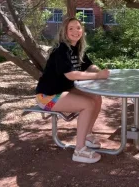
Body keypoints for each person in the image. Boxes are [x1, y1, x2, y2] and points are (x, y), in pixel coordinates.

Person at [36, 17, 110, 164]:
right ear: (64, 31)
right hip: (46, 97)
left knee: (95, 97)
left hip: (62, 92)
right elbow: (71, 74)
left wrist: (99, 72)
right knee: (88, 104)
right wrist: (97, 76)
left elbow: (88, 65)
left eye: (78, 27)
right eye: (71, 28)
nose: (75, 31)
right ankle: (80, 150)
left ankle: (87, 135)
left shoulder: (76, 48)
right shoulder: (61, 50)